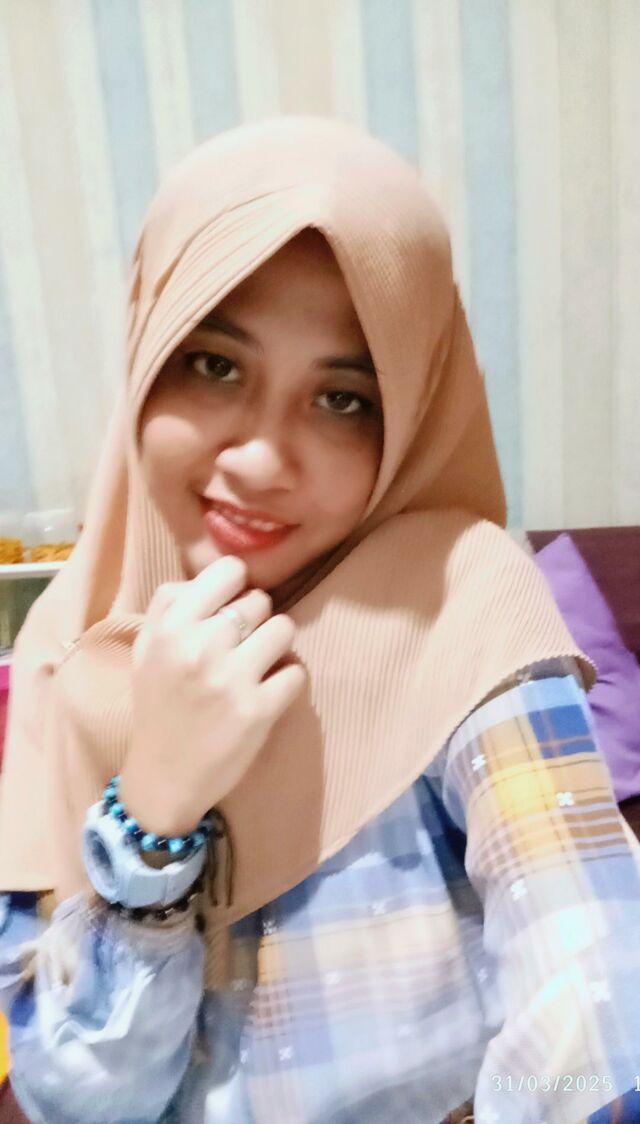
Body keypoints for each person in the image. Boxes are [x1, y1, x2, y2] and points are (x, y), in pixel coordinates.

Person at [0, 116, 639, 1124]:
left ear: (411, 414)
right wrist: (153, 808)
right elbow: (74, 1099)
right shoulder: (64, 651)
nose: (261, 459)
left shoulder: (460, 596)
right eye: (214, 364)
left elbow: (592, 977)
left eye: (343, 398)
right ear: (147, 352)